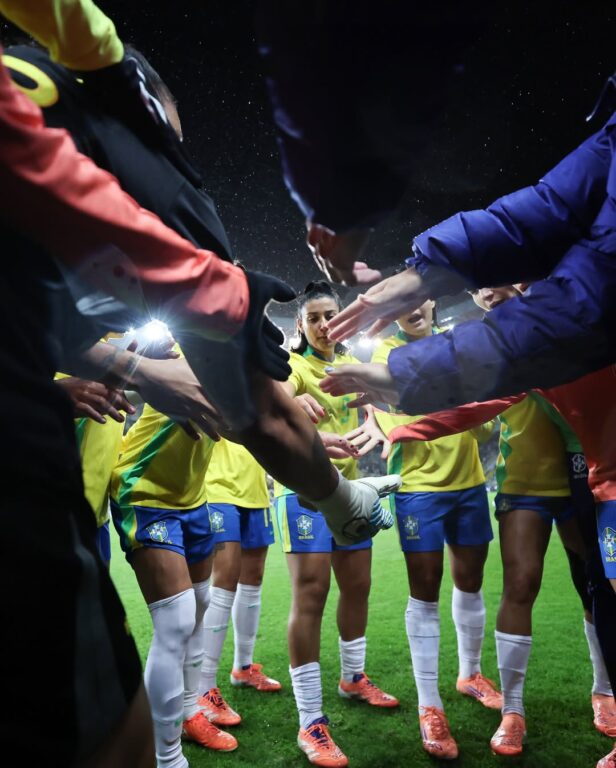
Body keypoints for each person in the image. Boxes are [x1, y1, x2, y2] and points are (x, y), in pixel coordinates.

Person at [345, 299, 499, 760]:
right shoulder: (386, 354)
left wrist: (478, 410)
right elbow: (399, 413)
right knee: (425, 588)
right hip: (418, 487)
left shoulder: (457, 345)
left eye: (421, 300)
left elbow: (482, 421)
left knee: (471, 581)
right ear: (394, 313)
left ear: (432, 302)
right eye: (404, 304)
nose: (414, 309)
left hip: (469, 482)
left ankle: (470, 674)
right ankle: (429, 706)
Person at [274, 281, 398, 768]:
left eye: (331, 315)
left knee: (358, 585)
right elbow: (276, 399)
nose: (324, 325)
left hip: (350, 492)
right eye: (314, 318)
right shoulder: (293, 366)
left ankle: (353, 678)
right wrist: (292, 404)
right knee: (311, 593)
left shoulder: (352, 366)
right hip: (302, 494)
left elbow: (381, 409)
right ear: (300, 325)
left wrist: (378, 419)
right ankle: (310, 720)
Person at [197, 439, 280, 731]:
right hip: (218, 485)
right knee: (225, 578)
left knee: (253, 577)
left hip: (255, 491)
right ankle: (204, 687)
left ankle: (243, 668)